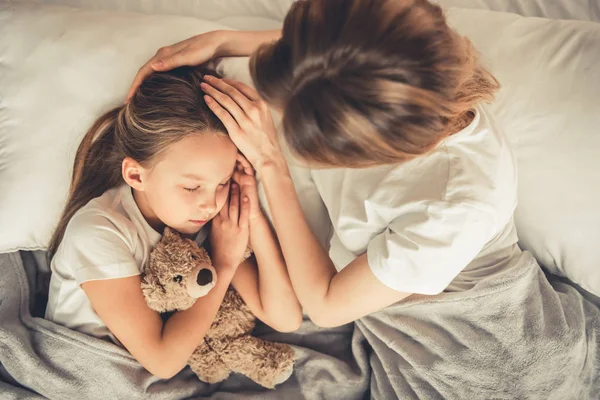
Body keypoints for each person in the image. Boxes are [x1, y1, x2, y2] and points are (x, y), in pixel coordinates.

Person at [127, 0, 512, 327]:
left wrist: (270, 163)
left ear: (359, 153)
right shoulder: (420, 61)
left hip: (462, 322)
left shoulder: (451, 210)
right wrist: (224, 41)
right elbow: (348, 45)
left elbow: (325, 306)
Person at [45, 66, 302, 380]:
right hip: (86, 374)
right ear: (136, 175)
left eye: (221, 182)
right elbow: (163, 361)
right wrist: (222, 263)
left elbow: (286, 318)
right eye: (191, 187)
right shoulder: (99, 231)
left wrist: (251, 214)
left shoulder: (204, 222)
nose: (209, 203)